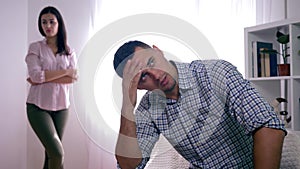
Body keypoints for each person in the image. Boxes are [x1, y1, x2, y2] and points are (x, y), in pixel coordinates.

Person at [113, 40, 286, 169]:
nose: (157, 75)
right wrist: (128, 105)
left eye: (151, 61)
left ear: (158, 51)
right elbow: (130, 166)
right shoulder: (148, 108)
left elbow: (268, 126)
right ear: (138, 86)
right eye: (143, 76)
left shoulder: (215, 72)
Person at [25, 6, 77, 169]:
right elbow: (35, 76)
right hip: (37, 107)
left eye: (52, 22)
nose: (47, 26)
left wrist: (44, 77)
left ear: (59, 24)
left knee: (50, 154)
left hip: (62, 108)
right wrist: (65, 71)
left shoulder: (69, 51)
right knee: (57, 153)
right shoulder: (36, 47)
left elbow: (72, 78)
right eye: (44, 22)